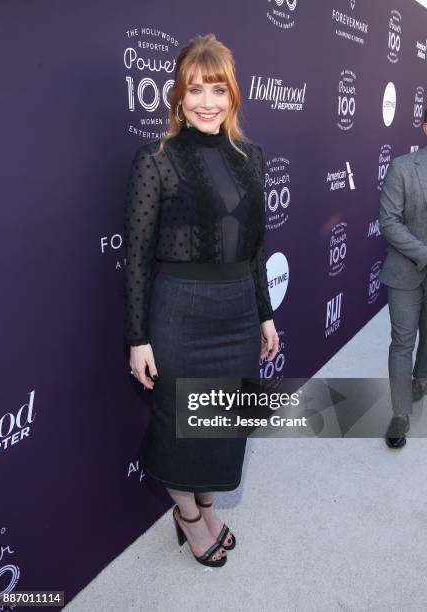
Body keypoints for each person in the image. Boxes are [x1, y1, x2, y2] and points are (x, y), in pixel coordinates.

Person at [123, 33, 279, 567]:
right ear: (178, 98)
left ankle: (206, 504)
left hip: (238, 310)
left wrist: (264, 313)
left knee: (222, 421)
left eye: (218, 89)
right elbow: (138, 258)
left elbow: (257, 248)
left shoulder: (251, 156)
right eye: (195, 89)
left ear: (233, 95)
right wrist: (137, 338)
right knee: (179, 425)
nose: (207, 102)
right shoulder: (157, 159)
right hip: (179, 313)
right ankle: (189, 517)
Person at [379, 109, 427, 449]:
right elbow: (389, 222)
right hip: (405, 271)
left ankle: (419, 382)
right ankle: (400, 413)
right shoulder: (401, 168)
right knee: (402, 339)